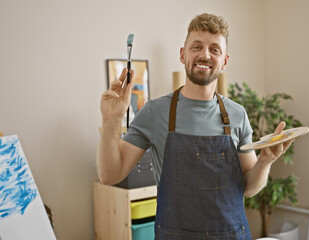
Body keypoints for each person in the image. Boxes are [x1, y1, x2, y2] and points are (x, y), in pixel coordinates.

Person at [98, 13, 294, 240]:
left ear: (225, 61)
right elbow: (109, 175)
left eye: (214, 49)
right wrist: (111, 120)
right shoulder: (154, 112)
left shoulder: (237, 115)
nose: (205, 55)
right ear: (183, 54)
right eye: (197, 46)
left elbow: (249, 187)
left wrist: (265, 161)